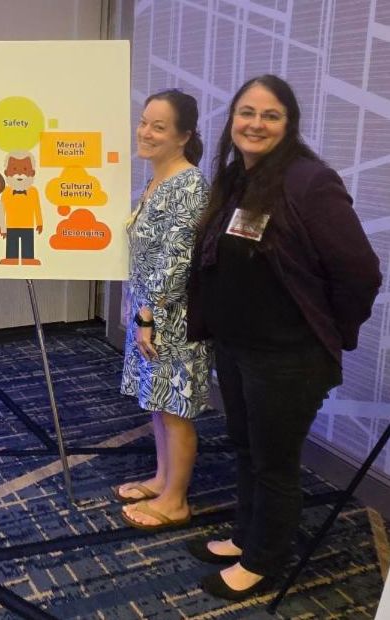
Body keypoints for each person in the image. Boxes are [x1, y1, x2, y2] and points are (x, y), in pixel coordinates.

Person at [186, 75, 381, 600]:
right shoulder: (236, 179)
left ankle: (264, 561)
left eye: (271, 115)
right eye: (246, 112)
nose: (256, 124)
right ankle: (247, 537)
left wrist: (328, 331)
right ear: (232, 120)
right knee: (246, 448)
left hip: (288, 358)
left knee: (275, 461)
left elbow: (360, 272)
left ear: (289, 124)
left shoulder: (308, 182)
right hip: (238, 346)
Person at [117, 90, 212, 532]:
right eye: (143, 122)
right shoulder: (156, 178)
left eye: (159, 126)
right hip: (150, 311)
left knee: (177, 408)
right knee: (159, 403)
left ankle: (176, 500)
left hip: (171, 316)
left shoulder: (189, 185)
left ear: (183, 135)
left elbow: (177, 259)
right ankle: (161, 479)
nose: (145, 132)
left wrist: (148, 316)